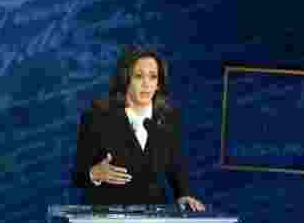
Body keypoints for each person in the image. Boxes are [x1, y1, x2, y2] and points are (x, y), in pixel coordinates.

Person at [72, 46, 206, 210]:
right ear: (125, 79)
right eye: (138, 76)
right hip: (108, 216)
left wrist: (184, 194)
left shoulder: (168, 118)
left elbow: (176, 166)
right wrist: (95, 173)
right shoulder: (97, 117)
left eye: (153, 77)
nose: (146, 84)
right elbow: (78, 176)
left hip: (154, 217)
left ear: (158, 84)